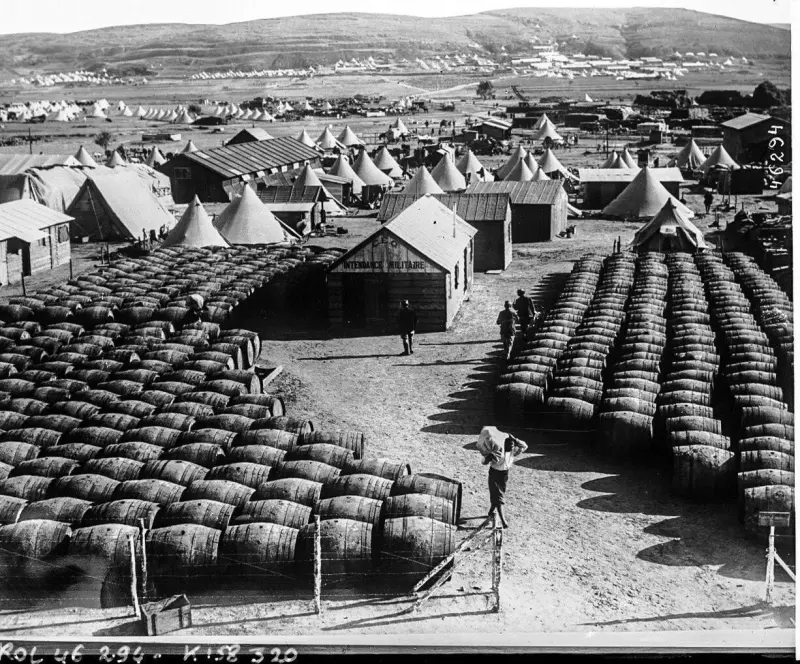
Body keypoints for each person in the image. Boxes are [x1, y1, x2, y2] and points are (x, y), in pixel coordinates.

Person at [478, 426, 528, 528]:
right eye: (509, 444)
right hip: (494, 474)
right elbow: (483, 461)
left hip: (504, 475)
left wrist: (515, 439)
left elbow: (525, 446)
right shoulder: (497, 451)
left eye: (512, 445)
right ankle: (503, 521)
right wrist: (489, 457)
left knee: (497, 496)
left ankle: (491, 511)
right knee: (499, 498)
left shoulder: (513, 452)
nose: (512, 446)